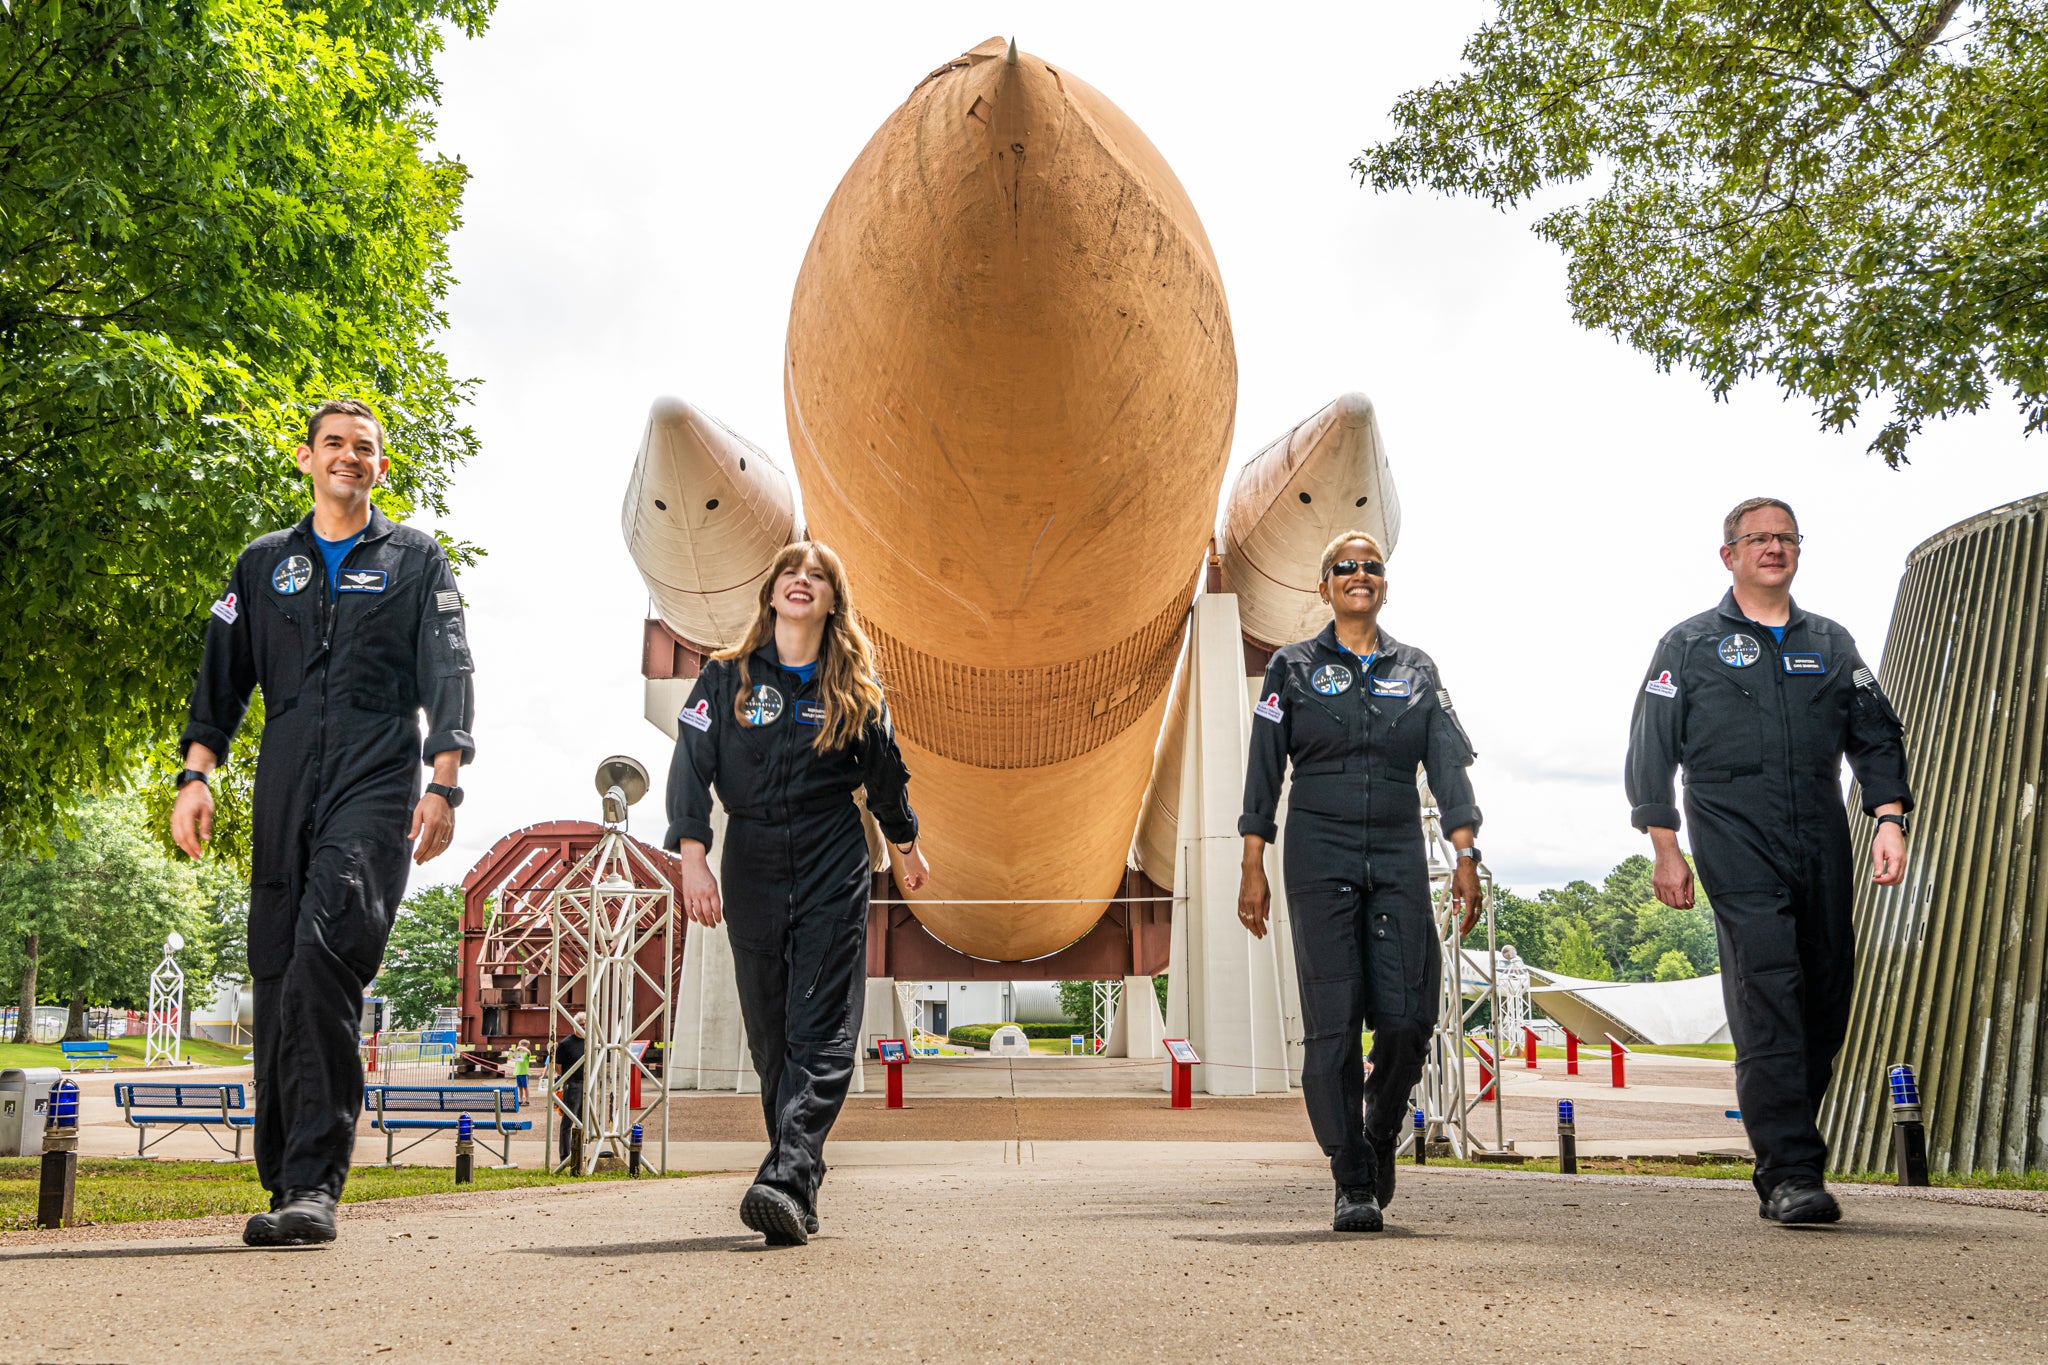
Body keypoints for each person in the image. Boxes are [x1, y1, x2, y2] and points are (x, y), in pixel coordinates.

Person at [171, 398, 475, 1246]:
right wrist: (197, 775)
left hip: (377, 773)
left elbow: (449, 671)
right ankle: (284, 1182)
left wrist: (443, 782)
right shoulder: (261, 565)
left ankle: (313, 1183)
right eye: (334, 444)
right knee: (275, 967)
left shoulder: (416, 560)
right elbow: (220, 678)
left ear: (381, 465)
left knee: (323, 952)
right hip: (284, 771)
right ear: (305, 458)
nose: (350, 457)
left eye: (365, 448)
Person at [1626, 497, 1911, 1226]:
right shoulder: (1688, 645)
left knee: (1826, 996)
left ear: (1798, 551)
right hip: (1732, 828)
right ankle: (1789, 1171)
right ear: (1730, 555)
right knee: (1769, 988)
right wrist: (1666, 843)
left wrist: (1887, 816)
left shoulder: (1831, 640)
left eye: (1785, 537)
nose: (1773, 548)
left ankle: (1786, 1149)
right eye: (1758, 538)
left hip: (1820, 827)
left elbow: (1875, 735)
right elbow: (1652, 749)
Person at [664, 540, 928, 1247]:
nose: (801, 581)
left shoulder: (858, 692)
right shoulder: (723, 679)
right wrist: (695, 857)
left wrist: (906, 846)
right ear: (773, 593)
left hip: (830, 853)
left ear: (833, 601)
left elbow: (887, 777)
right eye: (791, 572)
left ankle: (781, 1176)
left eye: (817, 576)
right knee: (771, 1035)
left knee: (822, 1024)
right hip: (749, 852)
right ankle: (797, 1178)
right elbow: (690, 766)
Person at [1238, 532, 1483, 1233]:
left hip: (1399, 849)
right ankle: (1352, 1177)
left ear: (1385, 584)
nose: (1360, 574)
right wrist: (1251, 859)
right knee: (1334, 1023)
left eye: (1372, 566)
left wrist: (1464, 852)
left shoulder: (1417, 669)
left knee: (1408, 1017)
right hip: (1320, 851)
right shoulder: (1291, 668)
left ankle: (1379, 1132)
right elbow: (1264, 766)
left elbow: (1447, 765)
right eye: (1345, 567)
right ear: (1324, 588)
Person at [554, 1013, 586, 1164]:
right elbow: (558, 1067)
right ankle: (565, 1157)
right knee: (568, 1121)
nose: (583, 1027)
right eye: (580, 1024)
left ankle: (580, 1155)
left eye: (585, 1024)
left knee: (583, 1120)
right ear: (574, 1025)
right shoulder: (566, 1044)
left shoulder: (591, 1042)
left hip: (587, 1085)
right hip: (572, 1084)